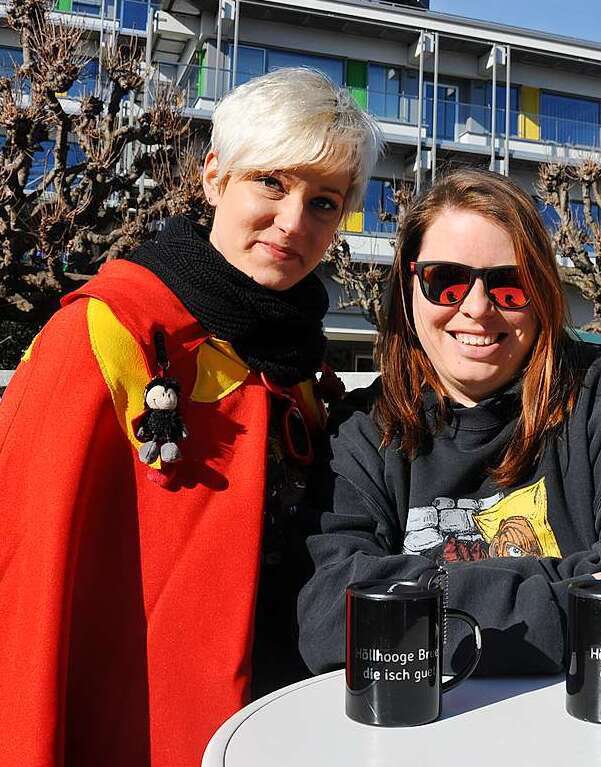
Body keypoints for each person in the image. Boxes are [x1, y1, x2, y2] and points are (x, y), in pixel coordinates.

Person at [0, 68, 382, 766]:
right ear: (214, 178)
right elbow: (22, 585)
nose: (294, 222)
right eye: (271, 181)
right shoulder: (101, 334)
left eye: (324, 202)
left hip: (288, 727)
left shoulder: (300, 372)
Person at [298, 168, 601, 675]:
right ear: (409, 285)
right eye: (446, 281)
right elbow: (326, 616)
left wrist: (409, 602)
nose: (477, 308)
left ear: (540, 294)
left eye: (509, 285)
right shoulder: (363, 426)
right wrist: (586, 612)